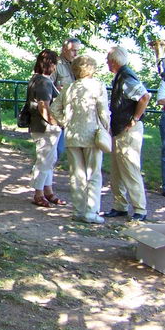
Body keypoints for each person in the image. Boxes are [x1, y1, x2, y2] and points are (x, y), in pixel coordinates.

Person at [50, 55, 110, 223]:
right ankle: (91, 212)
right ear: (92, 69)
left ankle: (78, 210)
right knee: (93, 173)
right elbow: (103, 111)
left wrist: (64, 122)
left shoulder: (68, 88)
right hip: (92, 134)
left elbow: (54, 108)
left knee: (76, 174)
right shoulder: (98, 86)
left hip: (72, 135)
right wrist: (106, 128)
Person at [103, 46, 151, 221]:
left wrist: (135, 119)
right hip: (120, 129)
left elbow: (144, 97)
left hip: (127, 130)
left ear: (114, 61)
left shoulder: (126, 77)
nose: (107, 64)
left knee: (130, 169)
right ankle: (120, 206)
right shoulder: (121, 76)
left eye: (108, 60)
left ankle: (140, 209)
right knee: (117, 169)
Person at [26, 49, 66, 208]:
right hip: (46, 128)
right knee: (44, 160)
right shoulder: (43, 81)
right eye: (55, 63)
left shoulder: (38, 79)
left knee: (50, 159)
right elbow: (44, 106)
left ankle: (48, 191)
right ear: (51, 64)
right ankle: (38, 193)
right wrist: (55, 122)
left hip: (43, 127)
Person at [53, 38, 82, 157]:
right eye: (73, 51)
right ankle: (41, 172)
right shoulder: (56, 64)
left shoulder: (78, 64)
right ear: (64, 49)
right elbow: (46, 85)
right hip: (58, 112)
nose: (76, 54)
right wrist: (57, 89)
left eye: (78, 51)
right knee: (56, 149)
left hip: (73, 111)